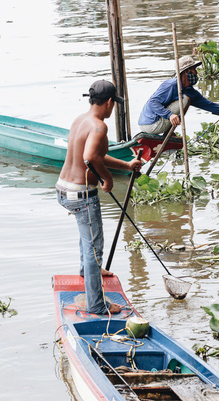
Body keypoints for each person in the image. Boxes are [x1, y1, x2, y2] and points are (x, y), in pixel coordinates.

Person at [57, 79, 143, 315]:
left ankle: (87, 270)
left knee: (88, 237)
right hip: (81, 194)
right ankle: (96, 304)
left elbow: (96, 154)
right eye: (113, 104)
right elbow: (91, 157)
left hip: (63, 189)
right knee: (95, 246)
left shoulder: (80, 120)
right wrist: (108, 179)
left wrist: (126, 165)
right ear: (108, 103)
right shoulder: (99, 127)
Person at [138, 55, 219, 135]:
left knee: (187, 98)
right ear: (187, 72)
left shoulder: (189, 91)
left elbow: (210, 106)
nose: (196, 73)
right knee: (185, 99)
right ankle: (168, 133)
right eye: (194, 70)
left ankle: (169, 133)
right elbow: (153, 102)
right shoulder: (171, 85)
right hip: (151, 124)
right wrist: (169, 115)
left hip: (158, 122)